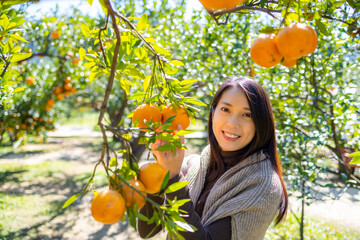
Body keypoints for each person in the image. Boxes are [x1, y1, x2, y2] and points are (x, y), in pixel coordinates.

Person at [138, 77, 288, 240]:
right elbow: (148, 229)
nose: (232, 124)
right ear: (213, 111)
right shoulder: (192, 165)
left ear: (261, 122)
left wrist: (174, 179)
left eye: (247, 114)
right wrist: (160, 172)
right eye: (226, 109)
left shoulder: (263, 185)